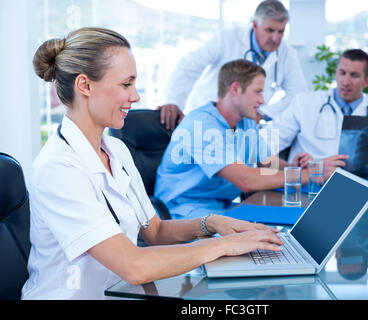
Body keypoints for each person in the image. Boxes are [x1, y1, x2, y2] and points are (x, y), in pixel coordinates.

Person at [22, 27, 284, 300]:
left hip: (122, 293)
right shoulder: (58, 168)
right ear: (85, 86)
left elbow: (155, 231)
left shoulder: (116, 150)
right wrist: (226, 246)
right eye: (126, 84)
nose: (135, 96)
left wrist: (212, 223)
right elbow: (133, 266)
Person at [155, 59, 327, 220]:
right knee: (258, 241)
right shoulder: (201, 125)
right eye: (258, 92)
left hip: (221, 208)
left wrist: (294, 166)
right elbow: (247, 181)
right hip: (183, 212)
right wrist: (308, 175)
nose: (262, 100)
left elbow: (266, 162)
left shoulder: (246, 122)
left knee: (298, 222)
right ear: (236, 89)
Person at [158, 0, 308, 125]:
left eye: (281, 31)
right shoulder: (227, 39)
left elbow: (298, 93)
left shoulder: (286, 53)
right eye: (270, 30)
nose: (276, 38)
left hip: (243, 125)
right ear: (255, 25)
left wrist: (264, 114)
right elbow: (188, 67)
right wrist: (174, 102)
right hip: (206, 118)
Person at [264, 49, 368, 168]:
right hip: (309, 184)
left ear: (366, 81)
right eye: (342, 73)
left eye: (354, 75)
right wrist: (292, 167)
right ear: (336, 73)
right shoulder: (304, 103)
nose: (346, 81)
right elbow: (263, 145)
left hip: (359, 183)